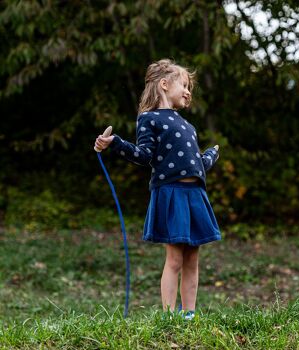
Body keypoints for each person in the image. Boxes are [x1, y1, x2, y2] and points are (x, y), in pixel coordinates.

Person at [94, 59, 221, 320]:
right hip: (171, 194)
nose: (188, 91)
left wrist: (209, 157)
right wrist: (115, 142)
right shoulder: (149, 119)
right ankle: (169, 316)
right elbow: (143, 155)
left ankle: (189, 314)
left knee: (192, 260)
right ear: (164, 84)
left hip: (195, 196)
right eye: (183, 85)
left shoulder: (189, 126)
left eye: (190, 87)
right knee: (174, 259)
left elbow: (196, 164)